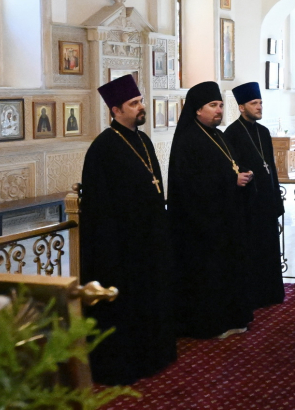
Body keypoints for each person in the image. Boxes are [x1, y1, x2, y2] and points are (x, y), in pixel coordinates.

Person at [80, 74, 176, 385]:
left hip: (150, 239)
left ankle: (155, 353)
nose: (141, 107)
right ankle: (126, 363)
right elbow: (99, 208)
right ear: (115, 110)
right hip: (122, 245)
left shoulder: (144, 141)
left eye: (141, 101)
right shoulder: (103, 148)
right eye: (134, 103)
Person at [168, 81, 255, 340]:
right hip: (200, 226)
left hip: (225, 219)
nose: (219, 110)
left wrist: (241, 176)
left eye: (220, 105)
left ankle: (231, 317)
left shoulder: (217, 135)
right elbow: (190, 185)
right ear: (197, 110)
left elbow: (227, 167)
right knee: (208, 277)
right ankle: (209, 323)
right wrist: (231, 181)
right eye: (213, 106)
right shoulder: (188, 140)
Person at [223, 81, 286, 310]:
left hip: (267, 201)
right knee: (253, 252)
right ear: (241, 107)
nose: (259, 107)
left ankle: (272, 293)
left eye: (260, 102)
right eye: (254, 103)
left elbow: (271, 168)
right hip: (248, 203)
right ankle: (255, 295)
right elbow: (232, 169)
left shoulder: (264, 132)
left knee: (269, 249)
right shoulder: (232, 133)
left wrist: (277, 201)